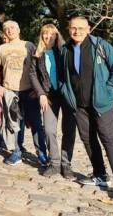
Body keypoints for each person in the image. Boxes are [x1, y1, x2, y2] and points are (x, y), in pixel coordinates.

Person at [59, 16, 113, 195]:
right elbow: (64, 76)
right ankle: (100, 174)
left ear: (89, 29)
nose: (77, 31)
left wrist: (108, 89)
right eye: (73, 28)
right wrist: (65, 91)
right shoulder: (65, 49)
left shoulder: (100, 45)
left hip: (102, 104)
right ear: (68, 29)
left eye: (81, 28)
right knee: (88, 140)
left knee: (109, 140)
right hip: (79, 106)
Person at [0, 20, 47, 166]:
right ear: (4, 32)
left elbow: (39, 67)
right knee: (15, 123)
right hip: (10, 91)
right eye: (6, 29)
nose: (9, 30)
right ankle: (17, 152)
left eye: (12, 27)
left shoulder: (29, 45)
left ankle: (42, 153)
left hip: (29, 91)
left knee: (36, 123)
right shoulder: (1, 48)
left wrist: (39, 89)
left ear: (18, 29)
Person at [29, 24, 76, 178]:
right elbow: (33, 75)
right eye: (45, 34)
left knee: (68, 130)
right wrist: (41, 93)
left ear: (57, 36)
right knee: (49, 130)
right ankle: (54, 163)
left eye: (51, 34)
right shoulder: (37, 54)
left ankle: (66, 164)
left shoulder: (64, 51)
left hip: (66, 95)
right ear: (41, 36)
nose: (48, 37)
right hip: (48, 97)